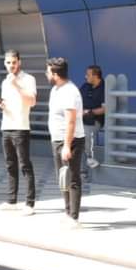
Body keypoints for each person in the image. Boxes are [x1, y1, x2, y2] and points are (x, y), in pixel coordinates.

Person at [0, 50, 38, 214]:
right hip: (6, 126)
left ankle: (30, 203)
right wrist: (2, 105)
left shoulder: (28, 79)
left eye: (14, 62)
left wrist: (16, 85)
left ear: (19, 62)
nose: (11, 66)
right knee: (10, 165)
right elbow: (8, 102)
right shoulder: (4, 81)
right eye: (8, 63)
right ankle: (11, 200)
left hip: (21, 127)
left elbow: (32, 101)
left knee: (24, 165)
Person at [47, 57, 86, 227]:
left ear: (55, 74)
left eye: (48, 71)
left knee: (72, 178)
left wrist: (67, 146)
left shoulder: (70, 92)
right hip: (58, 140)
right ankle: (68, 212)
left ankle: (74, 217)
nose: (46, 74)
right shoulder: (56, 90)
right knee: (63, 177)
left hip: (71, 140)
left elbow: (71, 121)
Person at [81, 65, 105, 172]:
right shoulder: (85, 86)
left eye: (88, 75)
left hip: (95, 119)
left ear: (95, 76)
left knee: (85, 133)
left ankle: (89, 158)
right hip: (80, 117)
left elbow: (105, 109)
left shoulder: (104, 88)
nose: (86, 77)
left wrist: (89, 112)